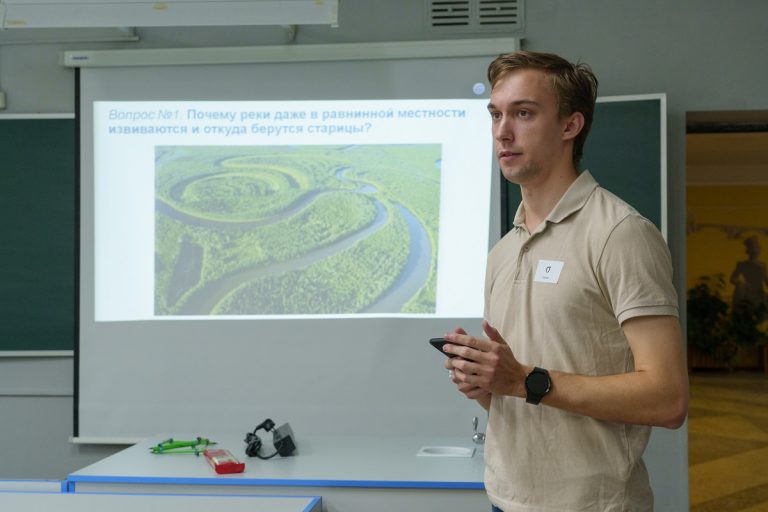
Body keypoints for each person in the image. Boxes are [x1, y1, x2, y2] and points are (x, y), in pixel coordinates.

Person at [440, 51, 689, 512]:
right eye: (495, 114)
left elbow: (668, 398)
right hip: (505, 499)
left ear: (570, 126)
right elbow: (525, 397)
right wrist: (488, 385)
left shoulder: (620, 233)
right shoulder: (503, 251)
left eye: (523, 113)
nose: (502, 131)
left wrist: (524, 381)